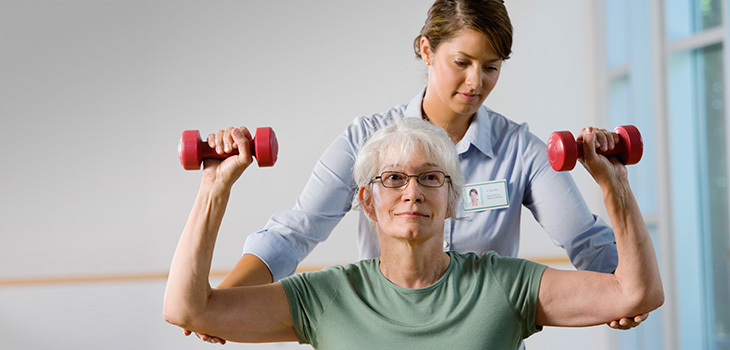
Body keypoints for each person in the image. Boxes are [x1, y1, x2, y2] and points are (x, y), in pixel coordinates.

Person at [187, 0, 646, 343]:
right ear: (427, 51)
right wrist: (225, 303)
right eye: (461, 63)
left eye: (491, 68)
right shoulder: (365, 141)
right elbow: (294, 234)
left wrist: (620, 293)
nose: (475, 83)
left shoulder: (521, 151)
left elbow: (586, 240)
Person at [163, 119, 664, 349]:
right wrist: (214, 186)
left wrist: (613, 183)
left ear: (451, 201)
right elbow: (188, 309)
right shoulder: (327, 296)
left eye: (431, 178)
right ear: (367, 201)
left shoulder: (503, 285)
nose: (412, 192)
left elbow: (635, 292)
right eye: (393, 179)